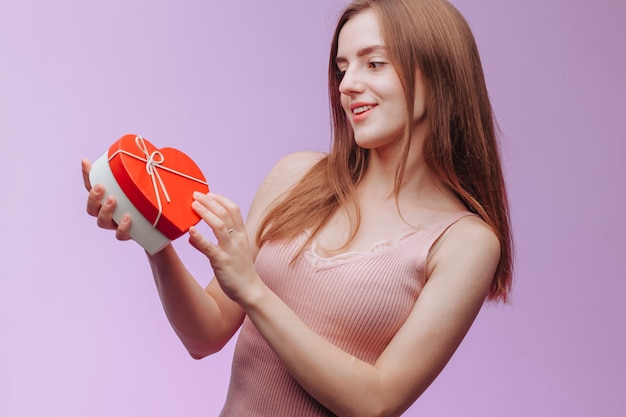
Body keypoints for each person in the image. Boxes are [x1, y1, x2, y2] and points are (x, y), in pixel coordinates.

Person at [82, 0, 512, 415]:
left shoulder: (465, 242)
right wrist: (150, 232)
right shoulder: (296, 178)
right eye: (342, 69)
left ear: (438, 75)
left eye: (373, 63)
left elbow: (376, 402)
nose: (346, 85)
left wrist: (253, 291)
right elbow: (204, 335)